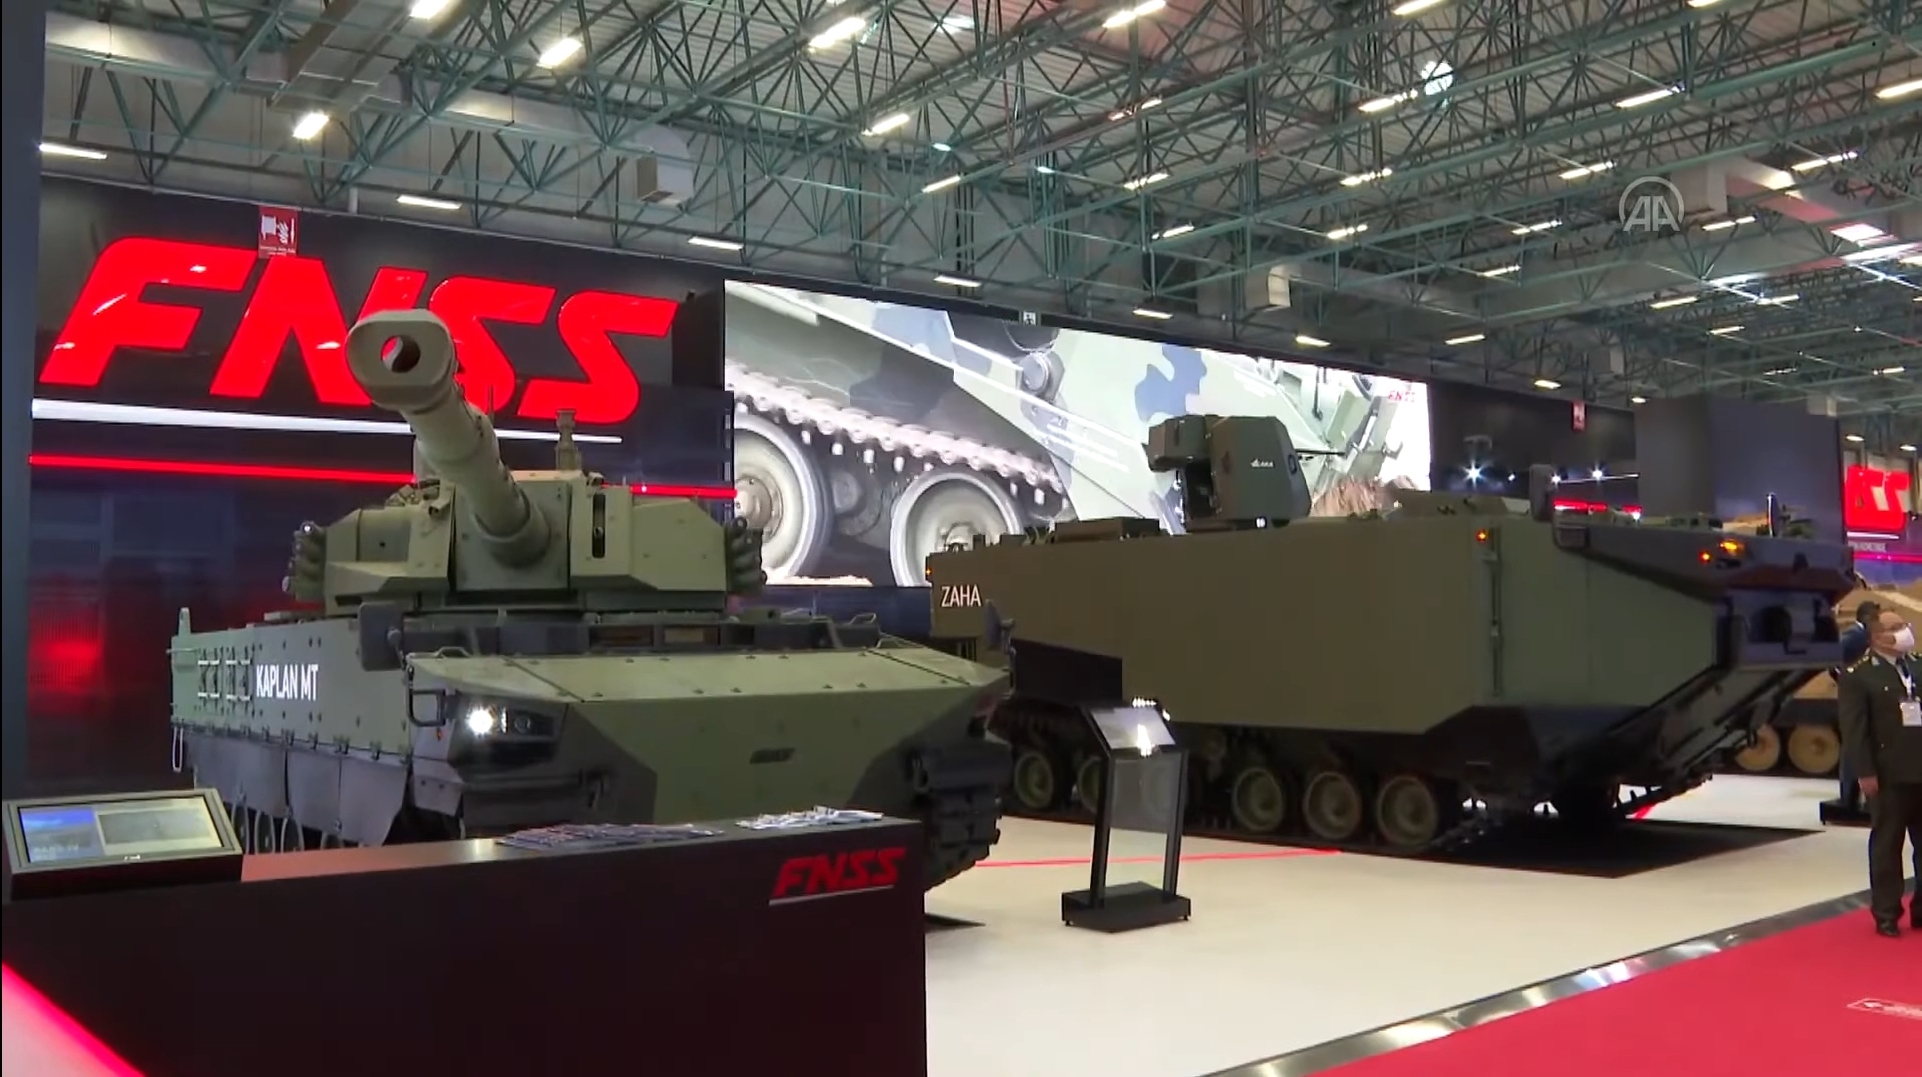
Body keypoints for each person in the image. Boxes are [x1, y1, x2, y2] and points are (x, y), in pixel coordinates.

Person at [1837, 606, 1922, 937]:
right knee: (1887, 845)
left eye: (1903, 625)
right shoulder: (1859, 675)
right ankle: (1887, 912)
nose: (1904, 631)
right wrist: (1865, 771)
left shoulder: (1917, 665)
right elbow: (1855, 729)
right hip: (1888, 774)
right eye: (1895, 627)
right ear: (1876, 637)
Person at [1834, 601, 1879, 811]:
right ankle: (1848, 797)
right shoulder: (1853, 636)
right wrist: (1844, 679)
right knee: (1854, 745)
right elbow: (1834, 659)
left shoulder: (1865, 636)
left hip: (1868, 694)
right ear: (1867, 617)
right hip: (1856, 697)